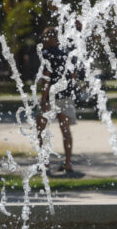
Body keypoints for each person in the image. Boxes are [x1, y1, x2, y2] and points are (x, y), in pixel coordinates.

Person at [36, 27, 77, 173]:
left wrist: (43, 99)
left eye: (44, 36)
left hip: (51, 98)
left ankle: (45, 163)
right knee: (65, 130)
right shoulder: (66, 54)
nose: (42, 39)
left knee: (42, 130)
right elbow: (73, 76)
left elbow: (46, 77)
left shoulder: (46, 55)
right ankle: (68, 163)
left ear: (49, 38)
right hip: (65, 96)